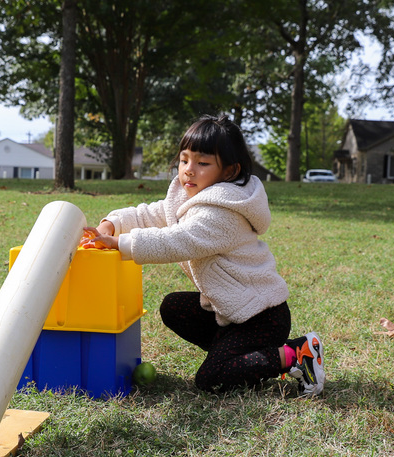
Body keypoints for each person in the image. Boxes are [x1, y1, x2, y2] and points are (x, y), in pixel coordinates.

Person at [83, 114, 325, 396]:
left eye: (203, 163)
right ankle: (241, 360)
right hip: (230, 313)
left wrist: (120, 243)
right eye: (184, 159)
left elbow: (176, 241)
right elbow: (153, 213)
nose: (189, 170)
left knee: (212, 379)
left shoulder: (223, 212)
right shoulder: (189, 193)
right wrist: (112, 222)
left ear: (229, 172)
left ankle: (297, 353)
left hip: (261, 317)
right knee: (174, 307)